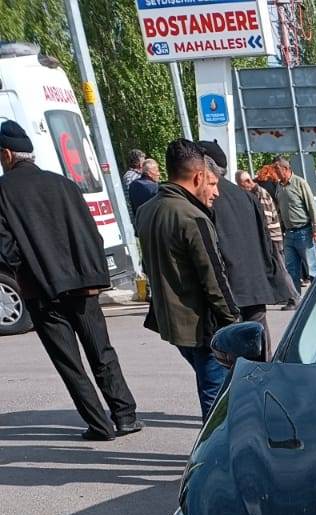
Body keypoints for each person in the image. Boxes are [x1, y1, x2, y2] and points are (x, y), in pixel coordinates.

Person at [0, 119, 140, 440]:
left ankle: (99, 425)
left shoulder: (2, 192)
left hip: (41, 292)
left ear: (7, 154)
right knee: (102, 351)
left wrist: (29, 270)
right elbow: (90, 234)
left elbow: (5, 250)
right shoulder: (63, 184)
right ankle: (125, 415)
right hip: (83, 285)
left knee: (69, 362)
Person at [136, 139, 239, 419]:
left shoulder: (147, 211)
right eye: (213, 184)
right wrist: (234, 323)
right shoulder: (192, 217)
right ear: (198, 177)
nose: (216, 192)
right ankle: (217, 458)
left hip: (173, 325)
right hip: (202, 327)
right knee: (216, 402)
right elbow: (214, 279)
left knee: (213, 391)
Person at [198, 142, 287, 348]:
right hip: (255, 285)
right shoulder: (246, 196)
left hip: (228, 290)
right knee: (259, 346)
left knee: (232, 356)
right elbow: (265, 241)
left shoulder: (206, 200)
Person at [238, 167, 296, 306]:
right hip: (271, 236)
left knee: (281, 268)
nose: (241, 189)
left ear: (247, 182)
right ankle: (286, 296)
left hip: (272, 237)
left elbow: (266, 219)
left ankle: (294, 297)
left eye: (241, 185)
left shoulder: (261, 194)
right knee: (277, 268)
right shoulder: (255, 193)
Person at [271, 154, 316, 295]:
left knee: (312, 268)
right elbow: (280, 210)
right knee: (291, 269)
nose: (275, 172)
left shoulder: (300, 183)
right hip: (289, 234)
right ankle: (295, 299)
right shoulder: (279, 187)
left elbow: (312, 206)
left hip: (304, 232)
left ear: (286, 169)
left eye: (277, 169)